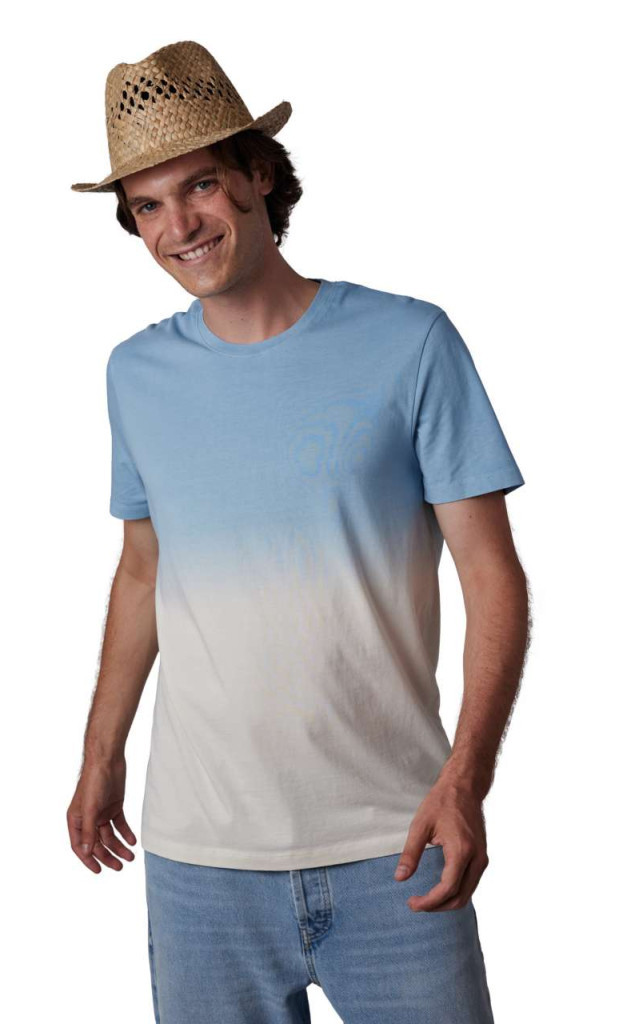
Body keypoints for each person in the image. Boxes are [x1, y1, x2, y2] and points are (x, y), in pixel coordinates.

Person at [67, 40, 530, 1023]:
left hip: (396, 842)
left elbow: (490, 574)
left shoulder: (409, 342)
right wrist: (100, 753)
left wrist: (466, 779)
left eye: (199, 185)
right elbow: (143, 571)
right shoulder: (134, 375)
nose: (177, 227)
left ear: (258, 176)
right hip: (200, 863)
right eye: (146, 206)